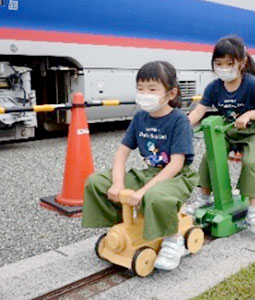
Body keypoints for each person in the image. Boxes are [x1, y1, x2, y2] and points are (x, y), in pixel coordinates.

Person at [82, 61, 198, 270]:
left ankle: (173, 240)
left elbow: (176, 165)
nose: (145, 94)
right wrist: (117, 183)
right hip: (149, 172)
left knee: (155, 196)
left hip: (177, 176)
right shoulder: (140, 118)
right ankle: (122, 226)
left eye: (152, 89)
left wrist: (144, 190)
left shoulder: (179, 120)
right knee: (96, 181)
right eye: (140, 88)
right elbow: (122, 153)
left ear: (171, 94)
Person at [187, 35, 255, 234]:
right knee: (209, 157)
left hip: (253, 132)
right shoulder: (214, 87)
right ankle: (205, 197)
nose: (223, 68)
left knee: (250, 162)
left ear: (242, 62)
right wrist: (185, 124)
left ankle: (254, 209)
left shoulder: (252, 84)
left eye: (229, 63)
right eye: (218, 63)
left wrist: (249, 115)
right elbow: (199, 110)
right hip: (228, 131)